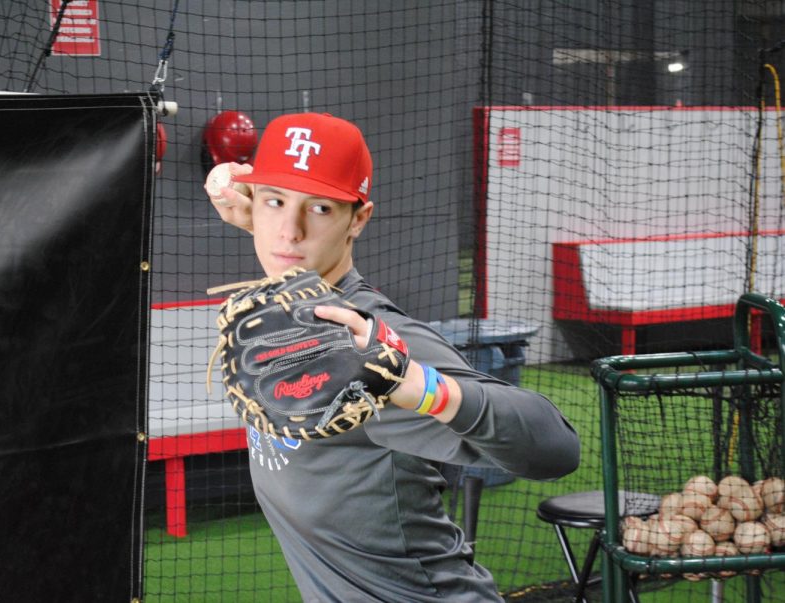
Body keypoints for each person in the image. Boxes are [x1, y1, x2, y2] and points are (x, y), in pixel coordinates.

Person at [205, 112, 580, 602]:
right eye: (275, 202)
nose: (288, 233)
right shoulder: (292, 305)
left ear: (358, 219)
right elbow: (285, 233)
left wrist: (414, 383)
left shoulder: (370, 340)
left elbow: (557, 449)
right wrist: (252, 203)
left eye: (320, 209)